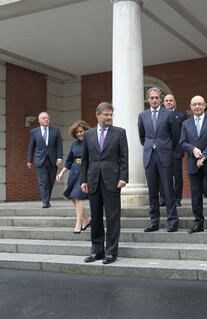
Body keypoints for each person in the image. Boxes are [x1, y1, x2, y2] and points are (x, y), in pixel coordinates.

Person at [81, 102, 128, 265]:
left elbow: (124, 158)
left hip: (113, 181)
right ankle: (97, 251)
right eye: (106, 114)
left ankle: (111, 252)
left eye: (110, 114)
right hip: (93, 180)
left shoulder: (120, 133)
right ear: (98, 115)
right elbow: (85, 160)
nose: (109, 117)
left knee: (113, 217)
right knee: (96, 217)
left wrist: (123, 177)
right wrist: (83, 180)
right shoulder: (88, 135)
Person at [138, 87, 180, 232]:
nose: (154, 100)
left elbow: (175, 136)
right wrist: (151, 145)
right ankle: (154, 222)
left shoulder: (168, 114)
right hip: (149, 156)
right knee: (152, 191)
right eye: (152, 98)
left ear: (160, 99)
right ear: (148, 99)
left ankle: (173, 221)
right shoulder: (142, 115)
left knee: (168, 190)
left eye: (157, 98)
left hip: (165, 155)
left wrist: (165, 147)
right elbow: (142, 137)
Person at [180, 95, 207, 234]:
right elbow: (183, 142)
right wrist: (193, 150)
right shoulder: (186, 124)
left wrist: (203, 156)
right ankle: (198, 222)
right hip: (192, 163)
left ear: (204, 106)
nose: (197, 106)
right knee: (195, 195)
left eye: (199, 104)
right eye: (194, 104)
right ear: (191, 107)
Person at [56, 120, 91, 234]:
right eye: (77, 133)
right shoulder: (74, 143)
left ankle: (78, 223)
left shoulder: (90, 141)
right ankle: (86, 219)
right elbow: (69, 160)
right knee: (72, 197)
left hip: (85, 171)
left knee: (78, 196)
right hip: (74, 171)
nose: (79, 134)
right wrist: (61, 173)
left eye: (81, 131)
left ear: (85, 130)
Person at [27, 112, 63, 208]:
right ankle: (45, 201)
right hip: (40, 160)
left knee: (50, 181)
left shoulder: (55, 131)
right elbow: (31, 146)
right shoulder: (34, 132)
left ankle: (47, 199)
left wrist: (59, 157)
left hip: (53, 160)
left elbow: (59, 145)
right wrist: (29, 160)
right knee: (43, 181)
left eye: (47, 118)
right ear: (39, 121)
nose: (46, 119)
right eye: (44, 118)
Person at [160, 94, 187, 207]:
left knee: (177, 176)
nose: (169, 102)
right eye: (166, 101)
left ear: (175, 102)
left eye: (171, 100)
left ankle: (177, 199)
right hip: (162, 152)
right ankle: (164, 198)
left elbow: (184, 133)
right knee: (163, 176)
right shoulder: (159, 116)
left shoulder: (181, 116)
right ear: (164, 103)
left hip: (176, 151)